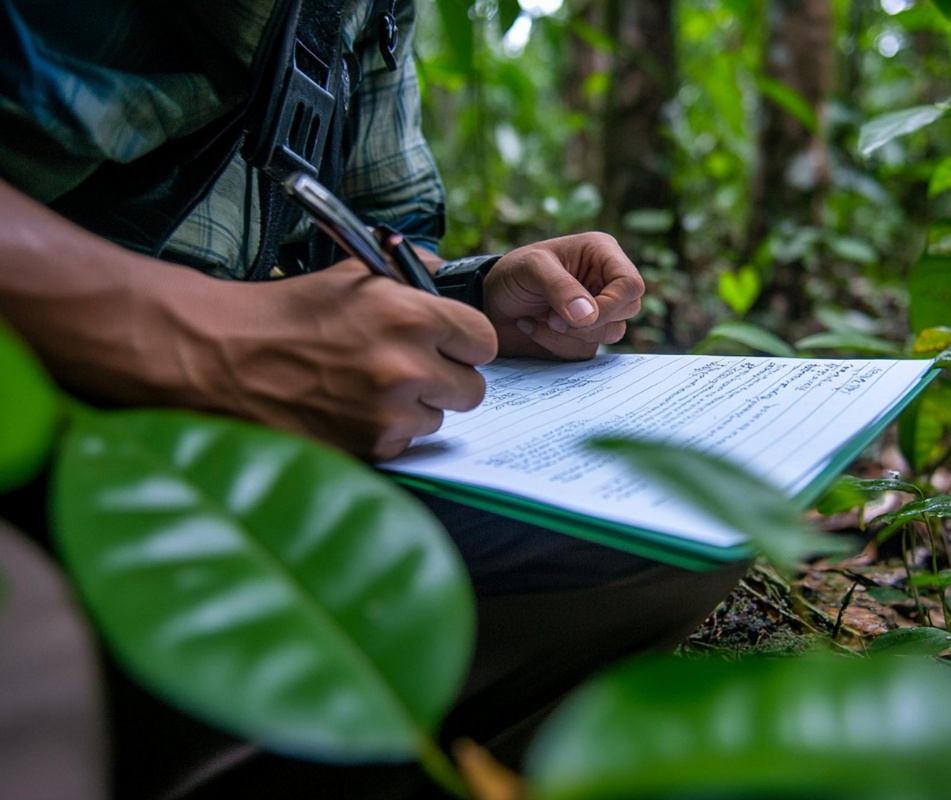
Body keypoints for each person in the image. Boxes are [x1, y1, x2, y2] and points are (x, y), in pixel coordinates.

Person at [0, 1, 746, 798]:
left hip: (218, 438)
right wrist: (197, 334)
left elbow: (373, 236)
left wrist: (472, 302)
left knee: (660, 542)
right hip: (39, 413)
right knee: (35, 669)